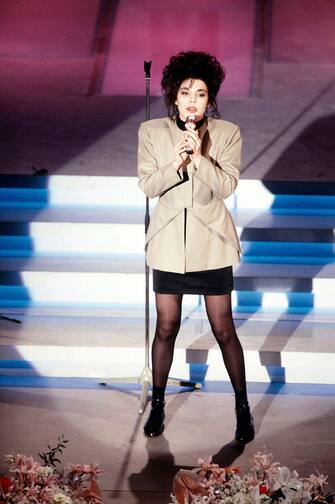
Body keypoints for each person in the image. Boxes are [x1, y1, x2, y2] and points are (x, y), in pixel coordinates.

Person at [137, 51, 254, 444]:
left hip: (211, 242)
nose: (192, 100)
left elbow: (226, 187)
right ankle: (157, 403)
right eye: (185, 92)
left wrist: (200, 158)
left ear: (210, 99)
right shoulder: (151, 132)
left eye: (201, 94)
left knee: (223, 328)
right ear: (173, 96)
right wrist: (175, 164)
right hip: (169, 240)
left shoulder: (228, 133)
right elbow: (148, 187)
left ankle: (242, 407)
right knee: (166, 326)